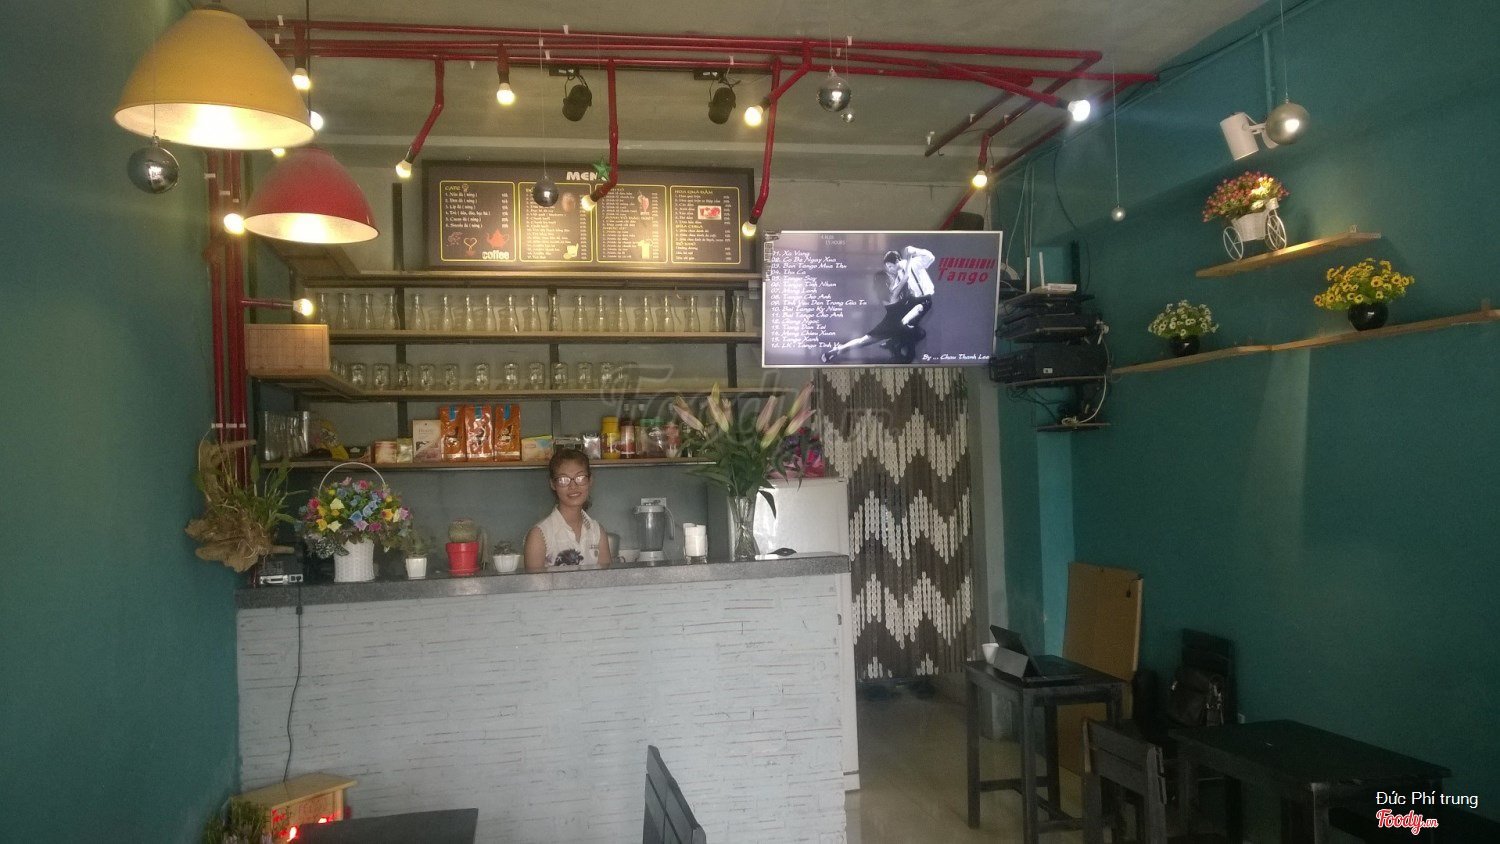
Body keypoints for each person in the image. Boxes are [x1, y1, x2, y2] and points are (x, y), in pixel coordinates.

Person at [820, 245, 936, 364]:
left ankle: (838, 350)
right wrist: (910, 255)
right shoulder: (898, 283)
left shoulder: (910, 268)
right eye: (888, 268)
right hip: (899, 317)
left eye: (890, 266)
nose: (890, 270)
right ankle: (896, 341)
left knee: (865, 340)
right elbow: (905, 279)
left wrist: (915, 251)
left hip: (911, 307)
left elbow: (930, 257)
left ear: (896, 261)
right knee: (907, 329)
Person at [523, 447, 612, 571]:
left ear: (590, 480)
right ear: (553, 484)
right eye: (563, 480)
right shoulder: (539, 536)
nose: (573, 486)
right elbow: (534, 583)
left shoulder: (597, 532)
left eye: (580, 477)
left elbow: (607, 579)